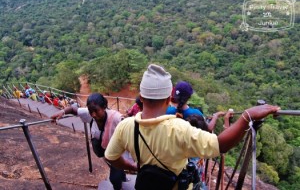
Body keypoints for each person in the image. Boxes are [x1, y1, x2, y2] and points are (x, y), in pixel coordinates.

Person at [104, 64, 280, 190]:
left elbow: (111, 157)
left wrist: (134, 167)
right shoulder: (180, 129)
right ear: (168, 99)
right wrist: (246, 116)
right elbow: (221, 145)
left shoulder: (125, 126)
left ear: (141, 97)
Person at [51, 93, 128, 190]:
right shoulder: (89, 114)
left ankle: (118, 186)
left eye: (96, 111)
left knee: (114, 177)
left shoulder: (115, 118)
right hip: (104, 151)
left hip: (116, 152)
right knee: (115, 168)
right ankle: (123, 177)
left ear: (104, 107)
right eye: (91, 111)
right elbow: (73, 109)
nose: (93, 115)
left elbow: (127, 126)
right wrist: (62, 112)